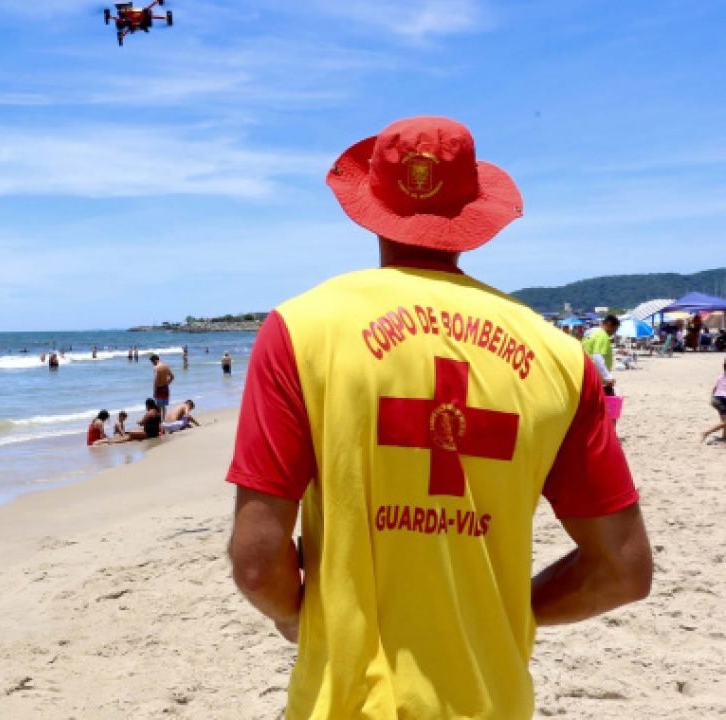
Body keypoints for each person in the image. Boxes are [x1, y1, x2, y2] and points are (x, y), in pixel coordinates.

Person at [226, 117, 651, 719]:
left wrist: (298, 616)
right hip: (492, 700)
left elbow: (255, 562)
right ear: (473, 213)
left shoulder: (302, 329)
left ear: (371, 202)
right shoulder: (558, 356)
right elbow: (623, 570)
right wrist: (501, 612)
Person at [582, 315, 621, 396]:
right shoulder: (602, 335)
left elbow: (590, 352)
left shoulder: (590, 333)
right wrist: (608, 377)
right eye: (615, 329)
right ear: (609, 325)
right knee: (608, 405)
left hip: (587, 375)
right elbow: (597, 357)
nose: (614, 332)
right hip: (598, 378)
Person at [702, 359, 726, 444]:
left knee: (724, 421)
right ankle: (706, 433)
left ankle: (724, 437)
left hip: (716, 399)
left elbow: (714, 388)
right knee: (725, 422)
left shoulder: (722, 376)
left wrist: (712, 398)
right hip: (721, 400)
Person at [149, 354, 175, 420]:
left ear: (155, 360)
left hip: (159, 388)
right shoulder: (166, 366)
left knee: (158, 407)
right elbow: (172, 377)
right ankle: (163, 420)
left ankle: (159, 422)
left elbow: (156, 380)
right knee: (163, 406)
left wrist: (154, 392)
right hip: (165, 388)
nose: (152, 364)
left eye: (152, 362)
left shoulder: (156, 367)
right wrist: (167, 383)